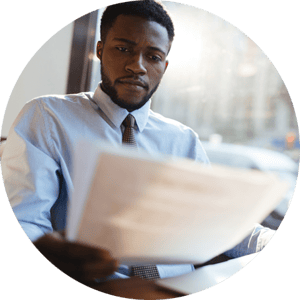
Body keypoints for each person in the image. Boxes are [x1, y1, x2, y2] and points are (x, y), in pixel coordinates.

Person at [1, 0, 275, 296]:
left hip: (181, 287)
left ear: (165, 66)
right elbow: (23, 221)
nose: (137, 66)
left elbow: (223, 225)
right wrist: (50, 258)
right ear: (100, 50)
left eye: (153, 56)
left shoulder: (183, 140)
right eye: (123, 49)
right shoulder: (47, 116)